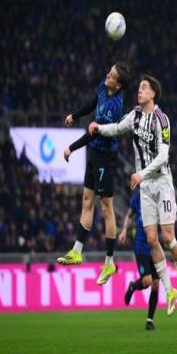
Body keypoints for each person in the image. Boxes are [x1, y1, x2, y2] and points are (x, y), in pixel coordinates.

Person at [88, 74, 177, 316]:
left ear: (153, 93)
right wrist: (98, 128)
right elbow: (117, 128)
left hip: (161, 182)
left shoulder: (162, 120)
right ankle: (170, 290)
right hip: (145, 186)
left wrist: (141, 174)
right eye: (139, 87)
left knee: (168, 237)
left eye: (144, 88)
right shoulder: (134, 115)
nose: (140, 90)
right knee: (152, 239)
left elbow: (163, 156)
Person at [57, 62, 131, 286]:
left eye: (112, 75)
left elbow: (94, 133)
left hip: (105, 158)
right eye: (109, 72)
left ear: (118, 85)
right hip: (94, 153)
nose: (107, 75)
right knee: (86, 200)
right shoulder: (104, 86)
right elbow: (93, 102)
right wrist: (75, 115)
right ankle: (77, 251)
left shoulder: (116, 106)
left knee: (106, 207)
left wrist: (71, 148)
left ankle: (109, 261)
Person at [119, 188, 159, 330]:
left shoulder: (157, 198)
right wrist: (124, 230)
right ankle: (133, 287)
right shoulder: (137, 198)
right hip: (140, 246)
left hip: (154, 248)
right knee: (147, 281)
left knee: (155, 284)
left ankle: (149, 321)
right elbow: (129, 215)